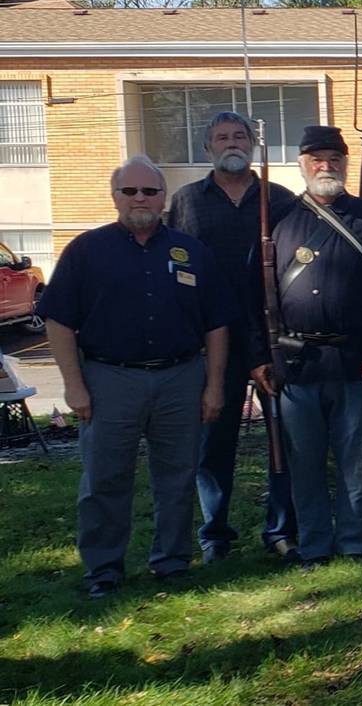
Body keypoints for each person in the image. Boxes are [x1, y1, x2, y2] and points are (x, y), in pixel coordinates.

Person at [39, 157, 235, 598]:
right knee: (105, 477)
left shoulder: (190, 251)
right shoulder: (86, 250)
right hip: (110, 379)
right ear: (115, 197)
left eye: (150, 191)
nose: (141, 199)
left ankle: (172, 561)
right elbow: (57, 320)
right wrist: (73, 384)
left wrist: (215, 384)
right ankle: (103, 569)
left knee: (178, 475)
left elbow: (217, 324)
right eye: (131, 191)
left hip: (181, 378)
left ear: (164, 197)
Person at [250, 127, 362, 568]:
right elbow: (255, 295)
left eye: (333, 158)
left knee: (357, 459)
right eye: (316, 159)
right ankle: (313, 544)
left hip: (354, 359)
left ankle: (354, 542)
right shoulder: (278, 221)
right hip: (296, 362)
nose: (325, 166)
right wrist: (259, 358)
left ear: (346, 164)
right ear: (302, 165)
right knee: (304, 461)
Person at [168, 111, 298, 564]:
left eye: (240, 135)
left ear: (253, 144)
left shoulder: (279, 200)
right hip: (212, 342)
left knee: (283, 439)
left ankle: (281, 529)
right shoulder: (186, 201)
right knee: (213, 443)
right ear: (208, 148)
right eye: (222, 137)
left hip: (272, 340)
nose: (231, 143)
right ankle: (215, 535)